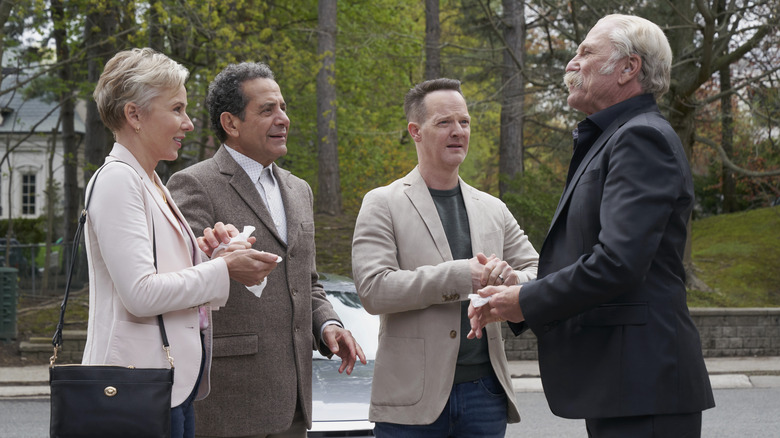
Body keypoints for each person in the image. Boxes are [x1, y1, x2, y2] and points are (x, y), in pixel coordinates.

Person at [468, 14, 715, 437]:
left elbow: (618, 262)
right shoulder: (615, 136)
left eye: (585, 52)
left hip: (643, 388)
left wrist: (524, 299)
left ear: (628, 68)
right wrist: (520, 285)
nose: (571, 63)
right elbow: (589, 254)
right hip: (625, 385)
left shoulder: (641, 138)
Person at [82, 48, 276, 438]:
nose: (188, 124)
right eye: (177, 109)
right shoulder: (119, 180)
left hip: (167, 385)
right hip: (136, 389)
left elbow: (161, 276)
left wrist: (214, 253)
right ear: (134, 115)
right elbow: (140, 294)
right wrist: (223, 269)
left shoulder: (149, 180)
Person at [167, 61, 366, 438]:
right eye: (267, 110)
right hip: (229, 404)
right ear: (231, 123)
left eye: (284, 108)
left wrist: (329, 325)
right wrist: (218, 260)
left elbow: (307, 282)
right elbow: (182, 283)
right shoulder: (193, 184)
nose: (283, 119)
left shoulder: (299, 190)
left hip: (295, 403)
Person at [351, 78, 539, 437]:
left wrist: (514, 283)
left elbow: (539, 271)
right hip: (410, 398)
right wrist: (458, 276)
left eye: (464, 122)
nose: (458, 131)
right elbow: (374, 290)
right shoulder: (382, 203)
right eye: (444, 122)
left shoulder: (494, 208)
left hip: (486, 393)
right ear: (415, 131)